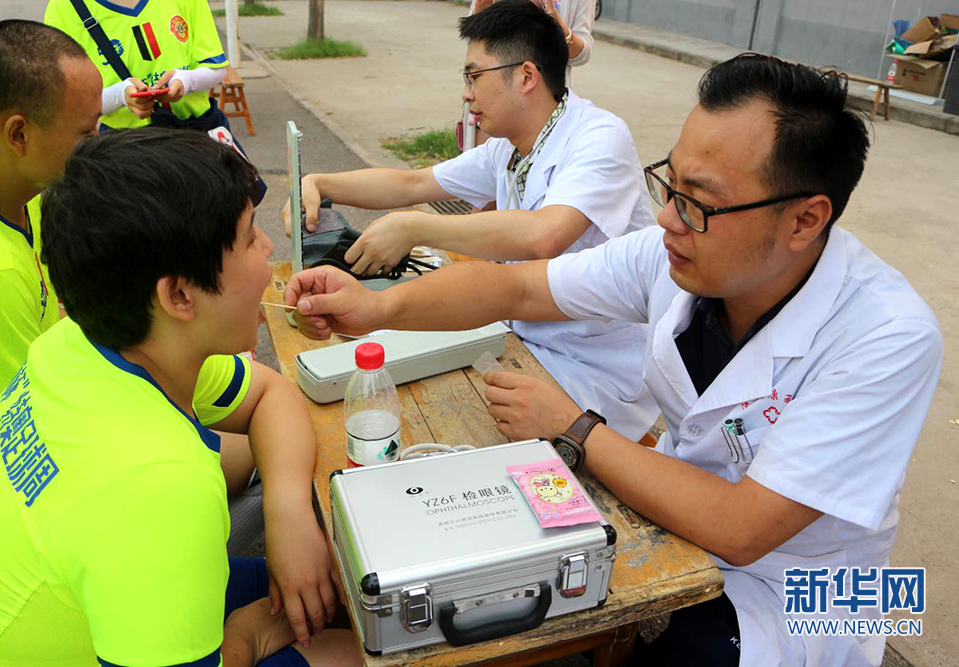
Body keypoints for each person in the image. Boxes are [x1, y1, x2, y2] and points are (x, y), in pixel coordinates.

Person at [283, 54, 943, 666]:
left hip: (815, 586)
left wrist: (576, 428)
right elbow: (518, 285)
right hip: (686, 511)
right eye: (670, 184)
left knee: (663, 641)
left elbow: (744, 529)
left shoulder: (888, 335)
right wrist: (373, 310)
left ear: (804, 221)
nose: (667, 220)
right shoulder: (678, 250)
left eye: (698, 201)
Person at [0, 128, 359, 667]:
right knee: (353, 649)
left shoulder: (84, 338)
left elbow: (272, 394)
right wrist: (251, 634)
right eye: (247, 238)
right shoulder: (159, 484)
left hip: (78, 600)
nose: (268, 249)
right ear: (178, 295)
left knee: (341, 592)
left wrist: (287, 515)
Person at [284, 0, 659, 443]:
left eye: (473, 76)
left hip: (592, 370)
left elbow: (544, 234)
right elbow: (412, 183)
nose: (466, 93)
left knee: (436, 429)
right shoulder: (512, 144)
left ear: (525, 76)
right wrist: (319, 183)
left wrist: (415, 227)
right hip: (520, 336)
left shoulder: (598, 138)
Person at [0, 21, 101, 443]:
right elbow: (20, 437)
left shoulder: (25, 195)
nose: (99, 143)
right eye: (86, 131)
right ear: (18, 133)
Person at [43, 0, 229, 131]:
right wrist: (120, 95)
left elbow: (216, 67)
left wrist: (187, 81)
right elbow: (70, 105)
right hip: (126, 150)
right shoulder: (64, 8)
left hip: (199, 133)